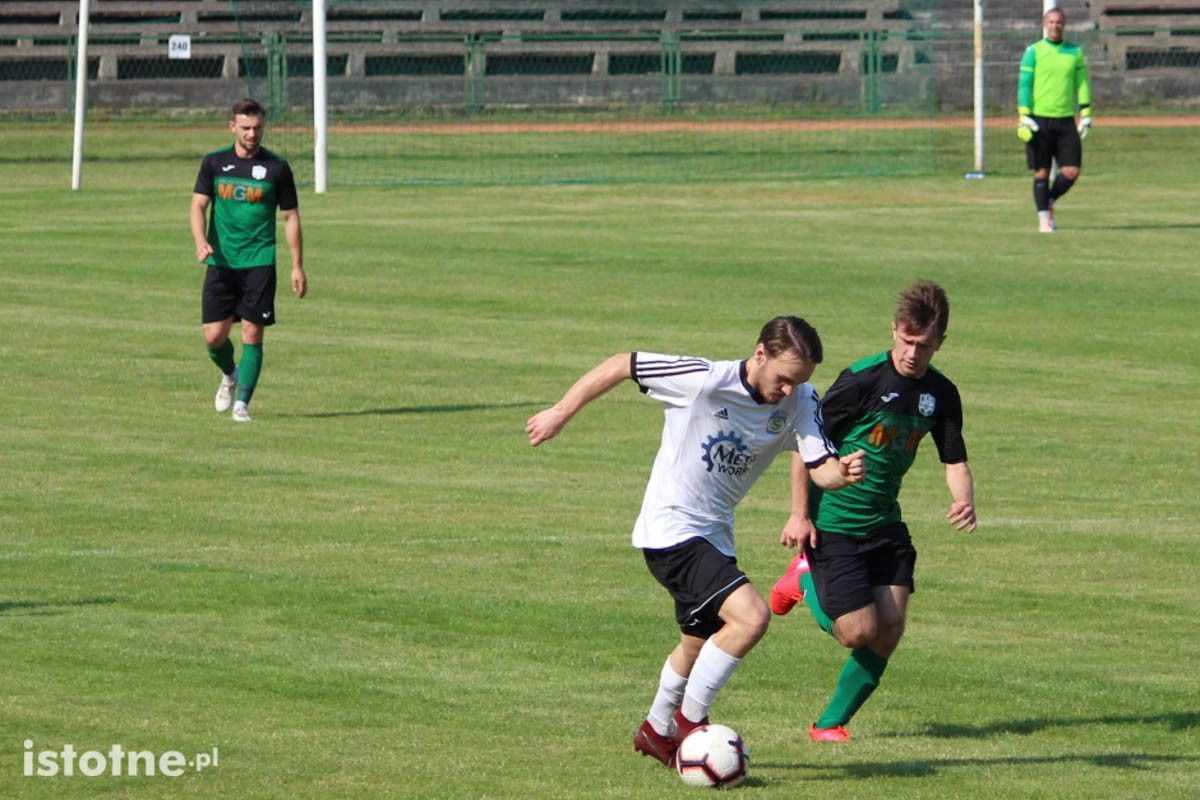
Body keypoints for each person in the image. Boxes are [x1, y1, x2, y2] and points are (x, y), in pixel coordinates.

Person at [525, 317, 866, 767]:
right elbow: (623, 363)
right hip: (671, 528)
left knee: (697, 641)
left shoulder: (802, 399)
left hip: (715, 534)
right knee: (751, 616)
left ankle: (655, 730)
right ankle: (691, 723)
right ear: (759, 354)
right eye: (783, 379)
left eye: (798, 381)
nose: (788, 390)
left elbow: (819, 464)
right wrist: (559, 412)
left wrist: (841, 474)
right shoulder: (705, 380)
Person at [768, 281, 976, 742]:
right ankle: (803, 578)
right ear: (894, 330)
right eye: (907, 340)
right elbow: (804, 445)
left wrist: (963, 500)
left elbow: (954, 459)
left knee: (890, 628)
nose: (912, 353)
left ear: (940, 342)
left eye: (924, 345)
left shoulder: (942, 393)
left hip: (884, 523)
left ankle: (829, 724)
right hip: (835, 523)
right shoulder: (862, 381)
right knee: (856, 632)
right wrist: (799, 514)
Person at [190, 98, 307, 422]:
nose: (252, 134)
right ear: (232, 127)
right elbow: (198, 205)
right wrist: (201, 241)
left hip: (259, 261)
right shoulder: (215, 163)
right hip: (221, 263)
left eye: (257, 128)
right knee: (214, 337)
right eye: (245, 128)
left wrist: (297, 266)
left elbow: (291, 217)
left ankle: (242, 405)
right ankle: (230, 374)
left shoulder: (277, 168)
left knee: (253, 334)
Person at [1017, 7, 1093, 233]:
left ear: (1064, 25)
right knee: (1041, 172)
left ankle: (1048, 201)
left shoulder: (1075, 52)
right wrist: (1024, 113)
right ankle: (1044, 219)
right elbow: (1024, 84)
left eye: (1059, 22)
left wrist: (1086, 112)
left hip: (1065, 120)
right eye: (1051, 22)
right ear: (1044, 24)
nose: (1055, 26)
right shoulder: (1033, 51)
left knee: (1072, 171)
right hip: (1039, 120)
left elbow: (1082, 83)